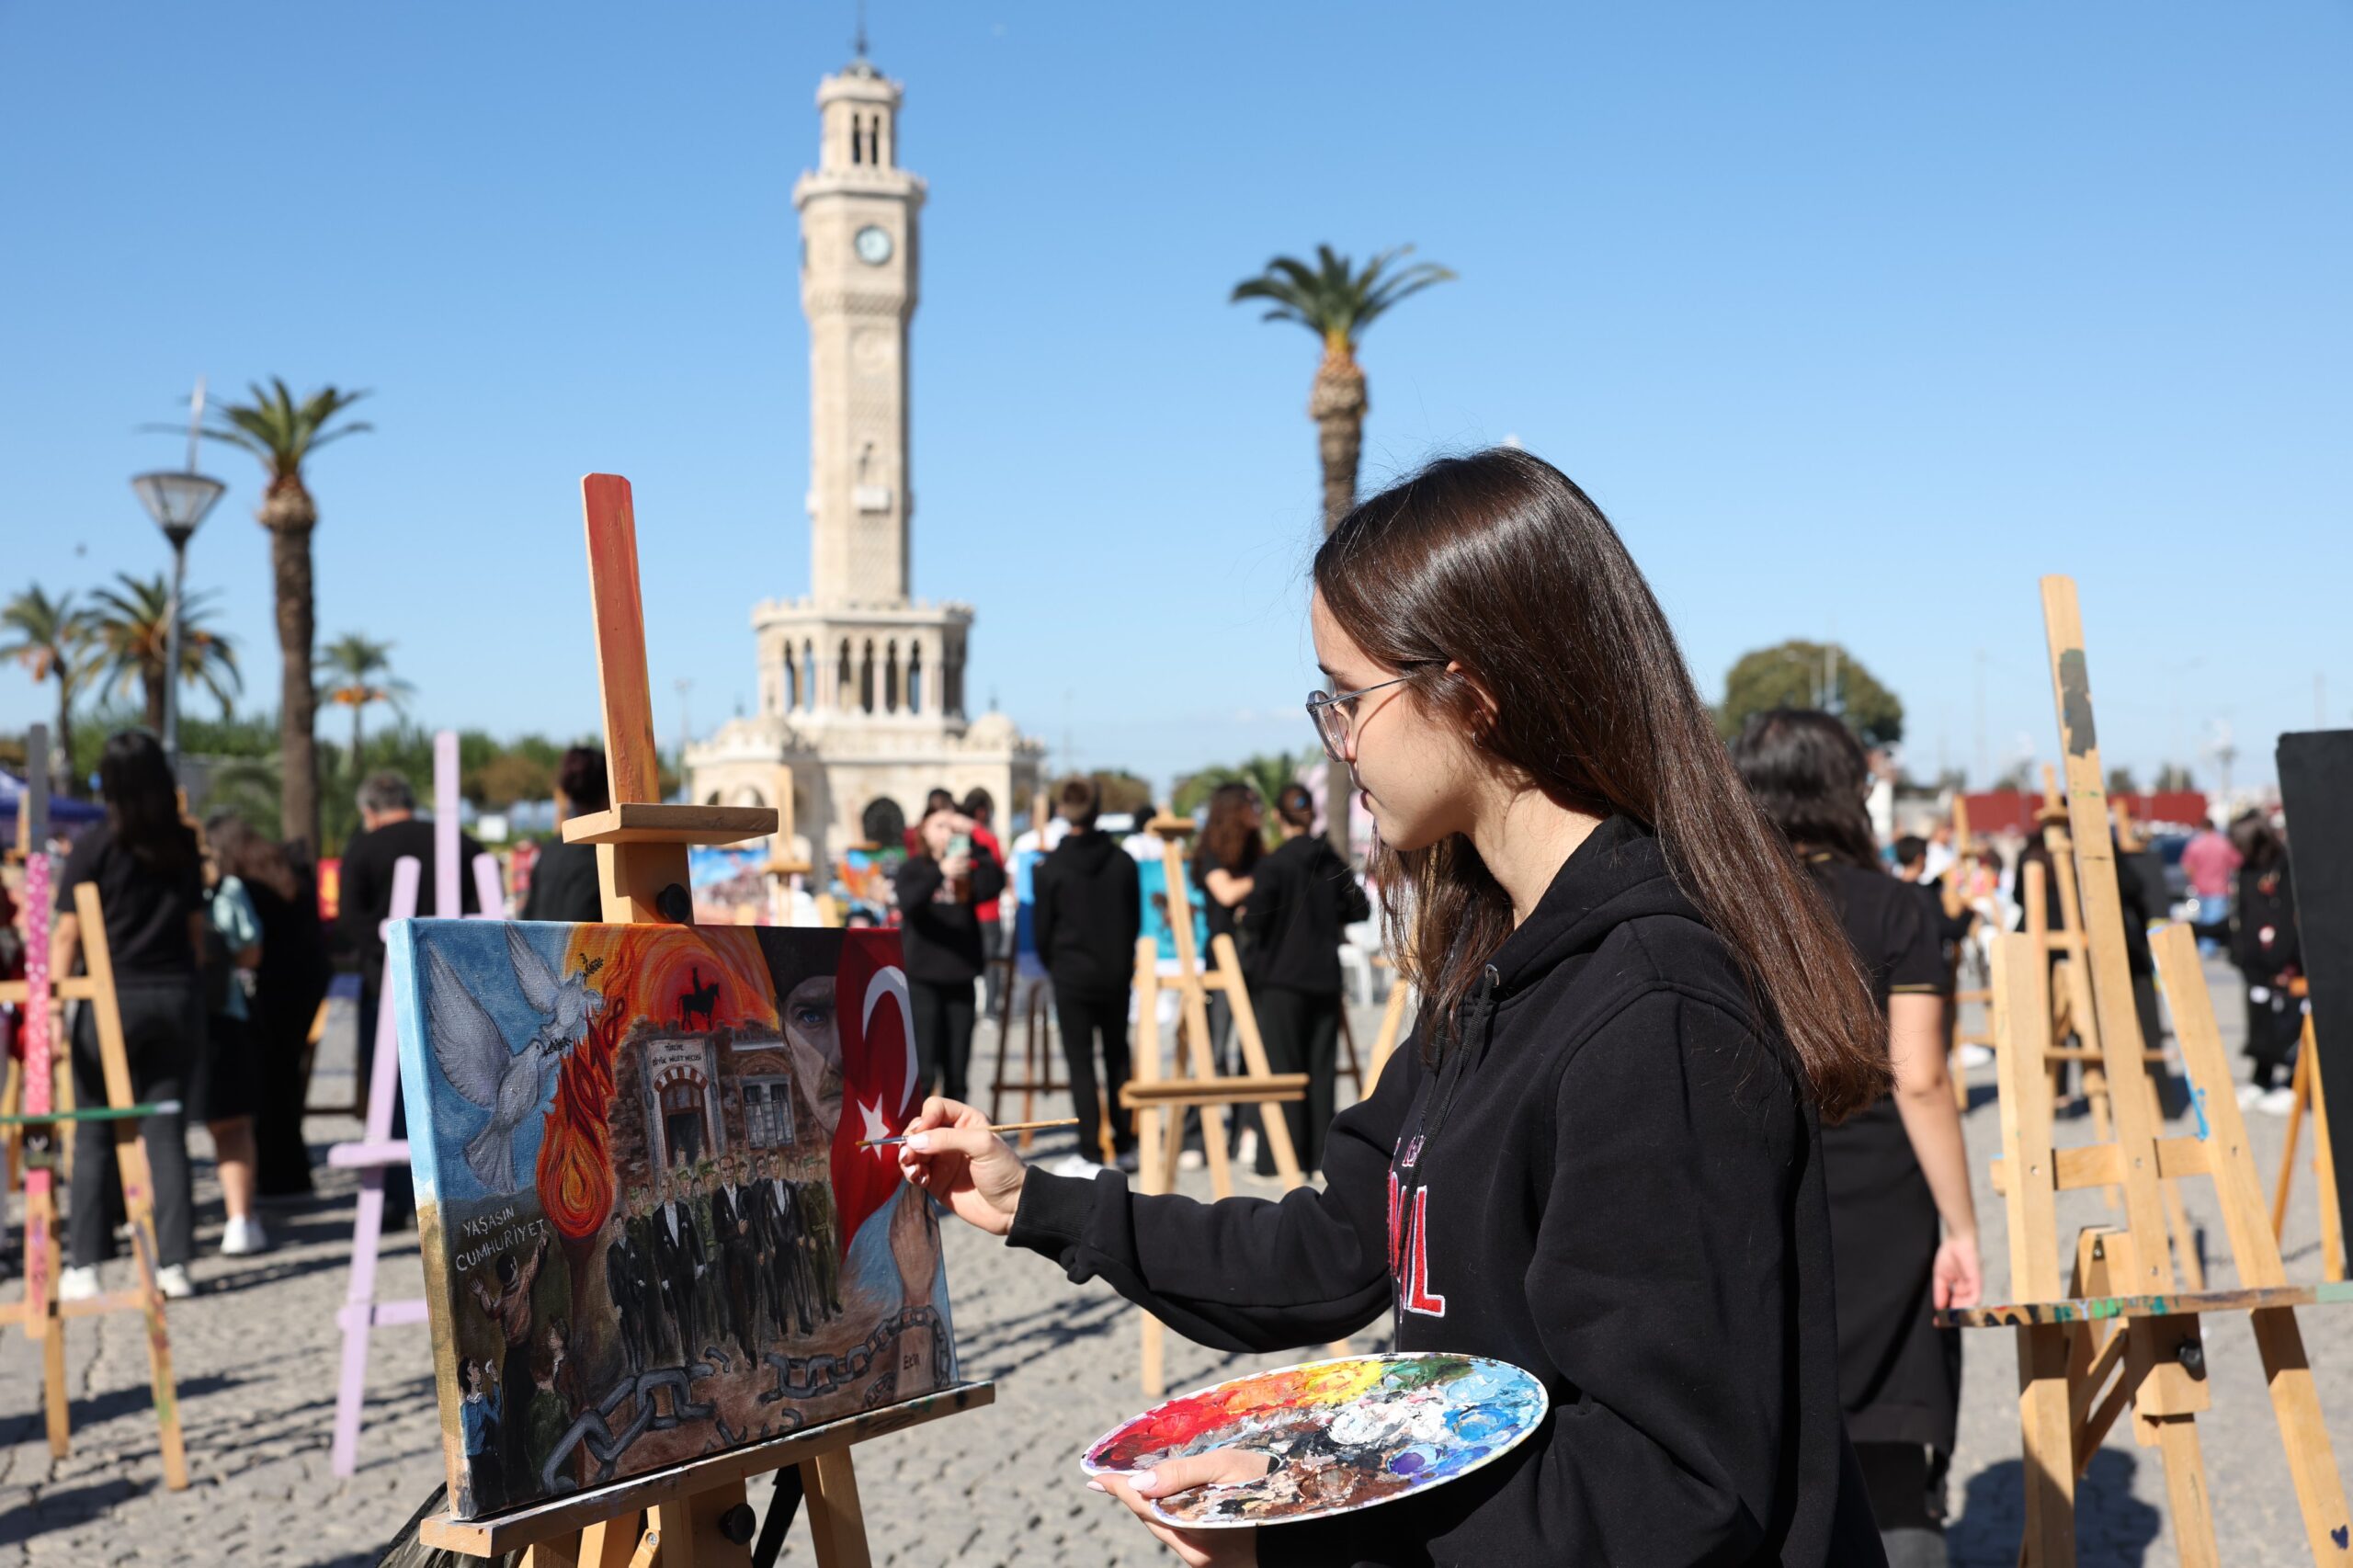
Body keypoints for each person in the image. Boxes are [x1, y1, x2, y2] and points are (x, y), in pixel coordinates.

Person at [897, 448, 1891, 1566]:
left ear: (1471, 691)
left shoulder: (1652, 1010)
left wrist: (1311, 1530)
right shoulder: (1493, 961)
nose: (1335, 741)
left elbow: (1663, 1492)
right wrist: (1039, 1201)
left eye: (1347, 697)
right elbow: (1337, 1248)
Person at [1733, 710, 1981, 1565]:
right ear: (1849, 793)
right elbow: (1921, 1077)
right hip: (1881, 1196)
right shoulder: (1896, 907)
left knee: (1760, 1421)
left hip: (1751, 1182)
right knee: (1884, 1436)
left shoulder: (1719, 902)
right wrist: (1962, 1228)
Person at [52, 732, 204, 1302]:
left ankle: (85, 1263)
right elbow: (195, 933)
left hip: (109, 997)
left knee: (93, 1129)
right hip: (174, 995)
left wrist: (52, 1007)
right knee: (165, 1131)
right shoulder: (182, 846)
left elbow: (67, 933)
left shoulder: (95, 845)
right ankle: (175, 1265)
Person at [339, 769, 483, 1229]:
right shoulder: (460, 842)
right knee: (461, 1087)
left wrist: (387, 954)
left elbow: (351, 921)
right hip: (456, 987)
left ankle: (398, 1200)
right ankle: (460, 1193)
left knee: (391, 1096)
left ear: (369, 811)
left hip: (385, 988)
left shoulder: (362, 848)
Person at [1236, 782, 1372, 1179]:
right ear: (1311, 815)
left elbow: (1256, 919)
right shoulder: (1330, 861)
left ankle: (1278, 1158)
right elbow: (1360, 909)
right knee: (1321, 1069)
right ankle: (1317, 1158)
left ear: (1279, 818)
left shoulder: (1273, 865)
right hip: (1324, 976)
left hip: (1280, 979)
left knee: (1282, 1070)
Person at [211, 821, 331, 1201]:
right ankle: (290, 1175)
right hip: (304, 985)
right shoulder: (288, 869)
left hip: (269, 990)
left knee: (268, 1083)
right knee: (284, 1080)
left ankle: (274, 1176)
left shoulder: (245, 886)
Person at [1032, 777, 1142, 1176]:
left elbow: (1041, 929)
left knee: (1080, 1063)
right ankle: (1125, 1144)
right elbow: (1134, 920)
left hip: (1072, 973)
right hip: (1113, 972)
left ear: (1063, 811)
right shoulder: (1123, 862)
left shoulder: (1051, 868)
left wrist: (1055, 964)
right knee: (1117, 1056)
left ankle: (1091, 1152)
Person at [893, 801, 1006, 1104]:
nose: (948, 833)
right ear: (924, 831)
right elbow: (908, 903)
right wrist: (939, 873)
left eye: (953, 827)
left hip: (960, 977)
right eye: (940, 826)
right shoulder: (914, 869)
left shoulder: (968, 870)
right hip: (922, 979)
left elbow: (995, 883)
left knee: (957, 1075)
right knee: (924, 1073)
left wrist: (975, 838)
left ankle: (956, 1143)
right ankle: (922, 1141)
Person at [197, 812, 270, 1256]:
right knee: (233, 1124)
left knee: (154, 1128)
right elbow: (251, 953)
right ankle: (240, 1221)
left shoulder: (152, 885)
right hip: (222, 1012)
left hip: (153, 1015)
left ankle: (158, 1225)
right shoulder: (226, 890)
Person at [2230, 813, 2302, 1114]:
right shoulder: (2246, 870)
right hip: (2255, 964)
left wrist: (2281, 957)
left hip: (2284, 963)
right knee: (2259, 1023)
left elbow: (2288, 918)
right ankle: (2261, 1079)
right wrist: (2241, 954)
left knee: (2288, 1023)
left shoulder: (2286, 867)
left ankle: (2294, 1081)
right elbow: (2243, 914)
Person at [520, 746, 609, 923]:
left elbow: (527, 915)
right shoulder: (604, 854)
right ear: (608, 790)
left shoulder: (550, 850)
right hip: (583, 950)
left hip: (538, 949)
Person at [962, 788, 1011, 1020]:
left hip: (964, 912)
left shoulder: (958, 838)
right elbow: (1000, 871)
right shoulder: (987, 839)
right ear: (982, 812)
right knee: (992, 962)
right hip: (989, 911)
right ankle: (991, 1010)